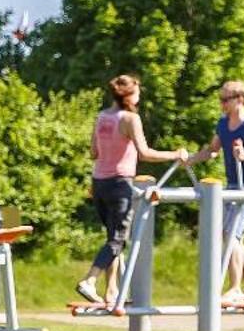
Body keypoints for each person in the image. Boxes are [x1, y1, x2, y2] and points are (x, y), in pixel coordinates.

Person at [77, 74, 188, 305]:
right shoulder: (130, 119)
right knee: (118, 240)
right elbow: (145, 153)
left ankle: (111, 291)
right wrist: (175, 155)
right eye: (137, 92)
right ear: (129, 96)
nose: (139, 97)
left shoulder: (102, 117)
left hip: (99, 183)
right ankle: (89, 280)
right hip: (119, 183)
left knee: (112, 239)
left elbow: (93, 153)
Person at [192, 80, 244, 303]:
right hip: (232, 186)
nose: (221, 103)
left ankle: (236, 288)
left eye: (225, 99)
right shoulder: (222, 124)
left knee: (231, 235)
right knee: (228, 235)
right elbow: (212, 150)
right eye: (220, 99)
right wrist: (190, 160)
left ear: (240, 99)